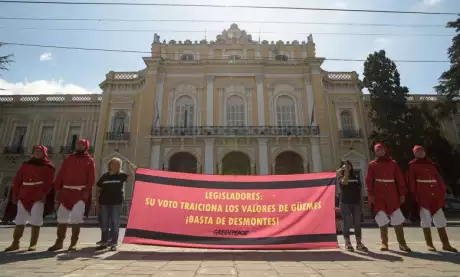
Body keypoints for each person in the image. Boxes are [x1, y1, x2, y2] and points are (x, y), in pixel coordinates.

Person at [4, 145, 55, 252]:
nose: (37, 153)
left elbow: (49, 182)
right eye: (36, 151)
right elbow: (17, 180)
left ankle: (33, 244)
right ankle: (15, 243)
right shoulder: (25, 165)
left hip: (38, 194)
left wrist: (44, 194)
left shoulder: (48, 166)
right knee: (20, 219)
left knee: (36, 219)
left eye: (40, 151)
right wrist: (15, 194)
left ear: (44, 153)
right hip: (24, 194)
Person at [407, 145, 457, 252]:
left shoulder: (432, 164)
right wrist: (415, 194)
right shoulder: (412, 165)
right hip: (423, 195)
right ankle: (429, 244)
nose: (420, 153)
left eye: (422, 151)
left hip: (435, 195)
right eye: (418, 151)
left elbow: (438, 178)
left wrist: (442, 191)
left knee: (440, 218)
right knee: (425, 218)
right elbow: (411, 181)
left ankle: (446, 244)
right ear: (415, 154)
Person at [48, 139, 95, 252]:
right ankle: (59, 242)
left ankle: (73, 243)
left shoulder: (89, 160)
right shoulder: (69, 159)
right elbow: (61, 173)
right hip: (66, 193)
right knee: (62, 217)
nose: (79, 146)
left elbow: (91, 178)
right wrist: (57, 188)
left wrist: (87, 192)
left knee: (76, 218)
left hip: (79, 193)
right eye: (78, 144)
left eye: (82, 145)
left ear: (86, 147)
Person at [365, 142, 411, 252]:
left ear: (385, 150)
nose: (379, 151)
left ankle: (402, 243)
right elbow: (368, 180)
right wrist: (371, 194)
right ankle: (384, 243)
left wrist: (402, 193)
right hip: (379, 194)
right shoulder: (372, 164)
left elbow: (399, 178)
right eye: (377, 150)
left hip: (392, 193)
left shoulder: (393, 163)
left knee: (397, 218)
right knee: (381, 218)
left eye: (381, 149)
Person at [95, 157, 136, 251]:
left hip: (116, 203)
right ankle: (104, 241)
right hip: (104, 203)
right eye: (115, 163)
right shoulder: (104, 176)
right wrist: (97, 203)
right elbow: (98, 190)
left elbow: (133, 177)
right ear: (110, 165)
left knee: (115, 222)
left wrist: (130, 167)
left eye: (119, 164)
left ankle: (114, 243)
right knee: (104, 223)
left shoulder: (121, 175)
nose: (117, 165)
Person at [337, 159, 368, 252]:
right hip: (345, 203)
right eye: (345, 165)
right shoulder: (340, 177)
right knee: (347, 223)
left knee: (357, 224)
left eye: (348, 165)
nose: (347, 167)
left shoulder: (357, 177)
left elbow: (360, 192)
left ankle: (359, 243)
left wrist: (362, 203)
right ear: (342, 167)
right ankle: (348, 243)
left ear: (351, 166)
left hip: (356, 203)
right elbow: (345, 183)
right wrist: (345, 172)